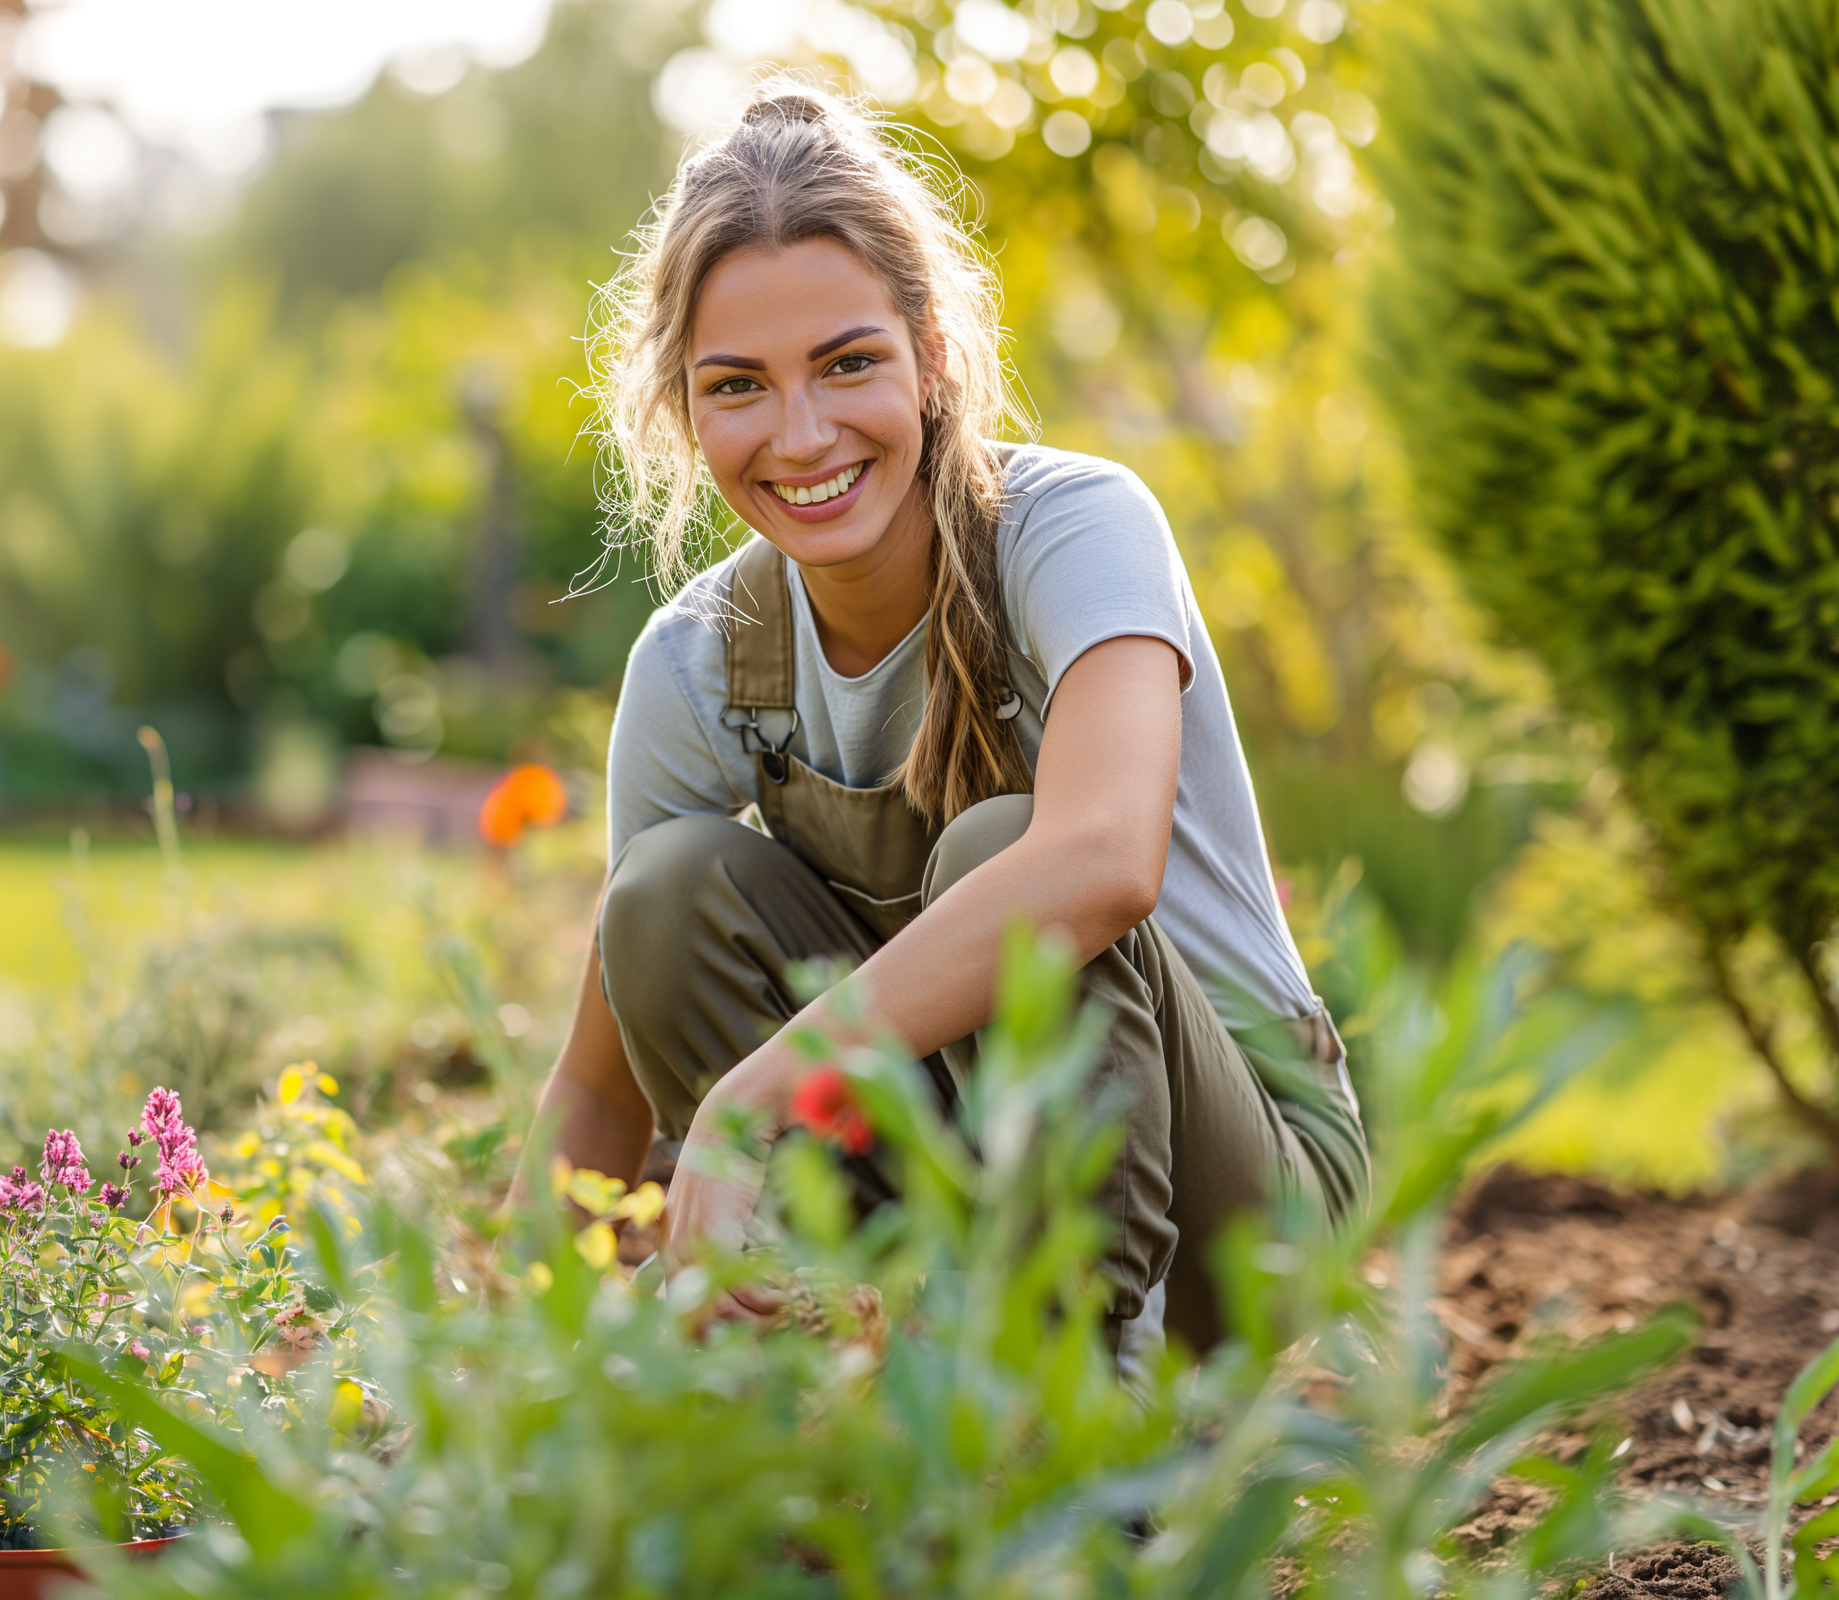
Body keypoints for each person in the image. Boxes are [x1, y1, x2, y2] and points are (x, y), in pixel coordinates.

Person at [512, 82, 1366, 1356]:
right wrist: (506, 1380)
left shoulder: (1075, 531)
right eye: (738, 384)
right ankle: (878, 1367)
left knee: (1008, 854)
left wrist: (757, 1096)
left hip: (1240, 1210)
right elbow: (595, 1079)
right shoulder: (699, 662)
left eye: (848, 363)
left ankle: (1083, 1419)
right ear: (687, 411)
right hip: (964, 1191)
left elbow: (1103, 864)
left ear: (934, 356)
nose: (801, 435)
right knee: (666, 889)